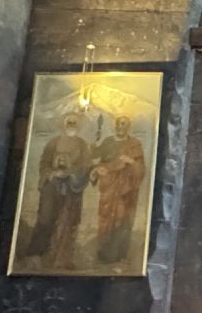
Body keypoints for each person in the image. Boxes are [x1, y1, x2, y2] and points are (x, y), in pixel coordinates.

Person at [24, 111, 90, 268]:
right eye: (69, 121)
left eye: (74, 122)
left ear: (79, 125)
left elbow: (85, 166)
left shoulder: (82, 144)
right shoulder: (53, 143)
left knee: (67, 221)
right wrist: (51, 173)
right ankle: (36, 253)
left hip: (72, 188)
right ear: (64, 124)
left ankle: (60, 258)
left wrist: (69, 172)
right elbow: (44, 164)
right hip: (52, 186)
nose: (71, 124)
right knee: (45, 218)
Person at [89, 114, 147, 266]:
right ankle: (103, 254)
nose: (120, 126)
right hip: (109, 187)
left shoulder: (134, 144)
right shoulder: (108, 142)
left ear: (128, 127)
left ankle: (119, 256)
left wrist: (131, 161)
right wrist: (97, 169)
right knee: (106, 218)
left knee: (122, 219)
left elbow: (141, 169)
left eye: (123, 124)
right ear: (115, 125)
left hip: (126, 190)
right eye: (118, 123)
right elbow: (98, 161)